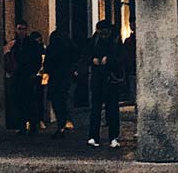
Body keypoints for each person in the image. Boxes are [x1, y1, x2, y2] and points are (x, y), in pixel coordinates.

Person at [81, 19, 125, 148]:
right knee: (96, 109)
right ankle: (93, 136)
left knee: (112, 109)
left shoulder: (116, 42)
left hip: (111, 79)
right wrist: (92, 60)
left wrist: (109, 60)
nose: (103, 35)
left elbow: (122, 58)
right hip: (98, 79)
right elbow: (84, 56)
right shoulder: (93, 42)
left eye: (105, 33)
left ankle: (113, 137)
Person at [5, 21, 44, 133]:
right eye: (19, 29)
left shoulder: (31, 43)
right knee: (19, 100)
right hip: (18, 75)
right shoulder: (14, 44)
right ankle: (21, 125)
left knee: (30, 101)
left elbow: (37, 59)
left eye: (23, 29)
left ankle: (32, 125)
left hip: (28, 75)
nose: (21, 31)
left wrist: (33, 72)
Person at [42, 29, 77, 134]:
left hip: (55, 79)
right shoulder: (70, 48)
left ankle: (61, 124)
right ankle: (66, 121)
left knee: (57, 102)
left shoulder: (51, 49)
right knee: (65, 100)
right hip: (66, 78)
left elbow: (47, 65)